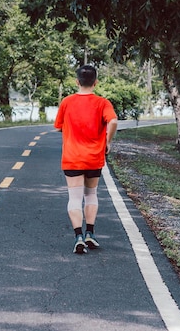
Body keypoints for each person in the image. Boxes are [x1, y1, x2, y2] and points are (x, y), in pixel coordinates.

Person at [54, 65, 118, 254]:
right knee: (91, 195)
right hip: (93, 157)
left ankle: (78, 236)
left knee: (74, 197)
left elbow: (58, 127)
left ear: (77, 81)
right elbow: (113, 121)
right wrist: (107, 141)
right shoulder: (102, 103)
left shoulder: (67, 102)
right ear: (95, 82)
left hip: (72, 158)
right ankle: (90, 233)